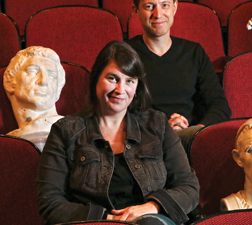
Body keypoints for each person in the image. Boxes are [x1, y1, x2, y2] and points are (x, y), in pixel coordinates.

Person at [37, 41, 200, 225]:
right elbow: (50, 203)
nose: (120, 90)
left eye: (129, 81)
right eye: (112, 78)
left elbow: (189, 187)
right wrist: (109, 220)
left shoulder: (158, 124)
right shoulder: (65, 131)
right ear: (96, 78)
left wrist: (152, 207)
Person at [125, 0, 231, 151]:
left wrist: (195, 131)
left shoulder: (194, 52)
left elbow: (220, 106)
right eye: (149, 6)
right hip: (140, 142)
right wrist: (160, 128)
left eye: (165, 5)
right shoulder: (123, 54)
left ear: (174, 7)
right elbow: (110, 110)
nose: (158, 14)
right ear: (135, 10)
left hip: (188, 141)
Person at [4, 46, 66, 151]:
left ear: (58, 90)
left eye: (51, 76)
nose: (44, 81)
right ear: (11, 82)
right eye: (33, 71)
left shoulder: (71, 131)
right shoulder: (7, 143)